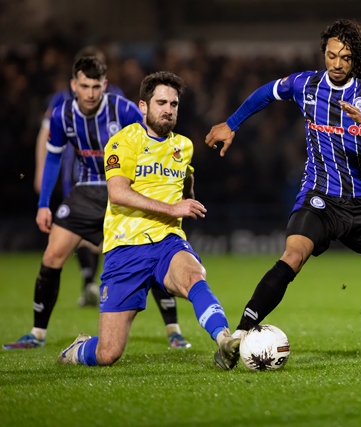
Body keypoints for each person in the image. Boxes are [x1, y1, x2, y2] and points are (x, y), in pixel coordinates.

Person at [205, 19, 361, 362]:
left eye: (345, 57)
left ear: (356, 59)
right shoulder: (306, 85)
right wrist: (231, 123)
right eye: (331, 55)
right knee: (291, 257)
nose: (337, 64)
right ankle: (236, 338)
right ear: (323, 54)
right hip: (320, 198)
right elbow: (267, 92)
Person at [3, 56, 190, 351]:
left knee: (149, 251)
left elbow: (154, 143)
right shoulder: (62, 114)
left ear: (104, 85)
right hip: (86, 192)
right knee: (52, 255)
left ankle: (174, 331)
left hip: (125, 192)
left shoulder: (123, 109)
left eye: (96, 86)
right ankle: (37, 334)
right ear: (73, 85)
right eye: (84, 86)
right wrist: (43, 204)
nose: (90, 93)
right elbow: (53, 157)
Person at [57, 71, 240, 369]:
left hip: (167, 242)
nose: (168, 109)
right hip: (126, 248)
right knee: (108, 353)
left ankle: (224, 340)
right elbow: (117, 193)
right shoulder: (123, 142)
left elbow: (186, 178)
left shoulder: (184, 145)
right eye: (161, 102)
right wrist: (173, 209)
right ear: (143, 107)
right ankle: (77, 351)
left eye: (174, 104)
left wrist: (187, 196)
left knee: (195, 276)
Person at [33, 46, 123, 307]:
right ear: (76, 80)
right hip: (75, 172)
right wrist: (40, 170)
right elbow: (45, 135)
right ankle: (90, 284)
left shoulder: (116, 99)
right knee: (79, 233)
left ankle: (95, 284)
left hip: (109, 177)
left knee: (105, 236)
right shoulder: (61, 102)